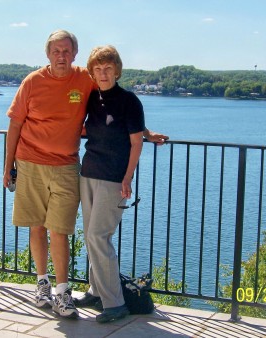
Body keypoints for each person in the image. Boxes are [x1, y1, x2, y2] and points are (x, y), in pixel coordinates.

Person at [3, 30, 168, 319]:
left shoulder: (93, 84)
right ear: (48, 54)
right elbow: (17, 125)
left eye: (67, 51)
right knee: (50, 229)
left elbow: (123, 116)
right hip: (53, 167)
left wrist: (145, 134)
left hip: (78, 169)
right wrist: (9, 167)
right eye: (56, 51)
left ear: (75, 54)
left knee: (73, 232)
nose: (61, 56)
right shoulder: (45, 84)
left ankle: (83, 295)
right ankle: (61, 287)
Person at [74, 45, 144, 323]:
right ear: (92, 72)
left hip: (114, 179)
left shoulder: (129, 101)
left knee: (98, 237)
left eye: (108, 68)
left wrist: (128, 178)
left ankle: (115, 304)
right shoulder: (92, 97)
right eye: (98, 69)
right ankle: (96, 290)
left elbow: (136, 141)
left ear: (117, 70)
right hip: (88, 173)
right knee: (91, 235)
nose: (103, 74)